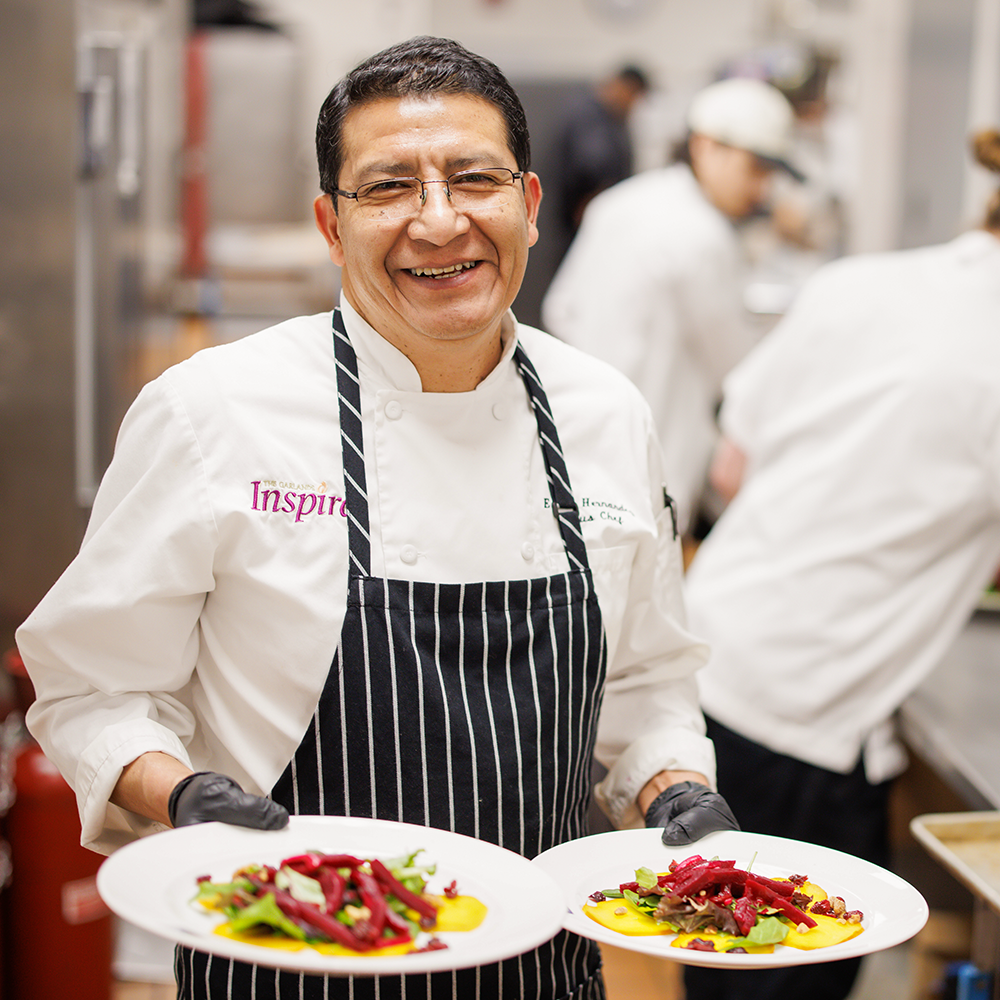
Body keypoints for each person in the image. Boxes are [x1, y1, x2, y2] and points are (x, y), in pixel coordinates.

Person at [16, 36, 737, 1000]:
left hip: (539, 975)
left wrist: (672, 784)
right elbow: (93, 689)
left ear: (526, 204)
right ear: (330, 222)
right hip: (284, 959)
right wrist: (178, 789)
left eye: (472, 178)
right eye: (390, 187)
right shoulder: (212, 412)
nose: (439, 223)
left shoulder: (606, 412)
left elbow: (646, 680)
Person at [681, 127, 1000, 1000]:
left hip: (710, 659)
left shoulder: (861, 283)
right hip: (805, 709)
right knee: (783, 975)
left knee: (702, 956)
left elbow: (730, 464)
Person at [542, 76, 802, 538]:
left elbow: (560, 309)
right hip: (653, 460)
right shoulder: (703, 236)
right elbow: (734, 362)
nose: (763, 189)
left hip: (575, 444)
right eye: (755, 169)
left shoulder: (622, 202)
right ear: (706, 147)